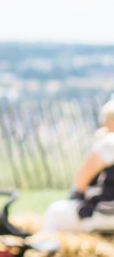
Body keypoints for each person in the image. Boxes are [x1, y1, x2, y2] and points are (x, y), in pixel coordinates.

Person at [40, 99, 114, 235]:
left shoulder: (109, 142)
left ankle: (43, 251)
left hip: (107, 214)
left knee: (55, 211)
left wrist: (77, 194)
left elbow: (81, 181)